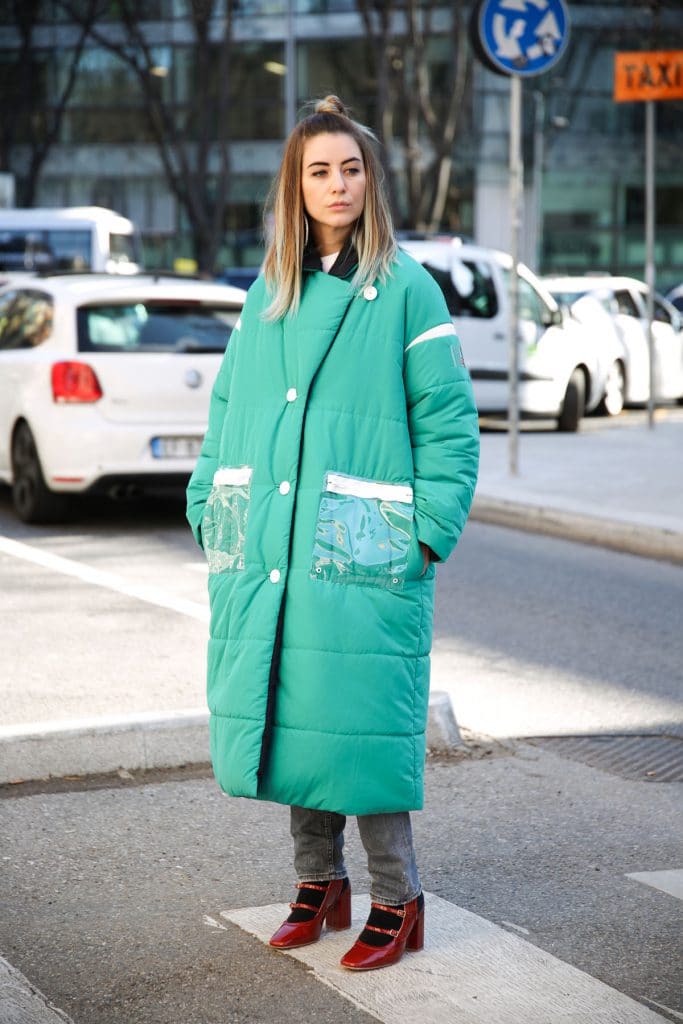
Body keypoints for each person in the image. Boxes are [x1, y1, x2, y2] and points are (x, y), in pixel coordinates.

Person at [186, 95, 479, 971]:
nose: (337, 183)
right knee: (293, 722)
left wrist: (426, 534)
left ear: (369, 180)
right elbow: (228, 409)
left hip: (362, 548)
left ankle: (398, 897)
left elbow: (449, 424)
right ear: (297, 185)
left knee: (360, 730)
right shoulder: (268, 289)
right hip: (273, 542)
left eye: (350, 168)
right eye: (320, 170)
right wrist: (209, 503)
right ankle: (319, 883)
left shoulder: (405, 287)